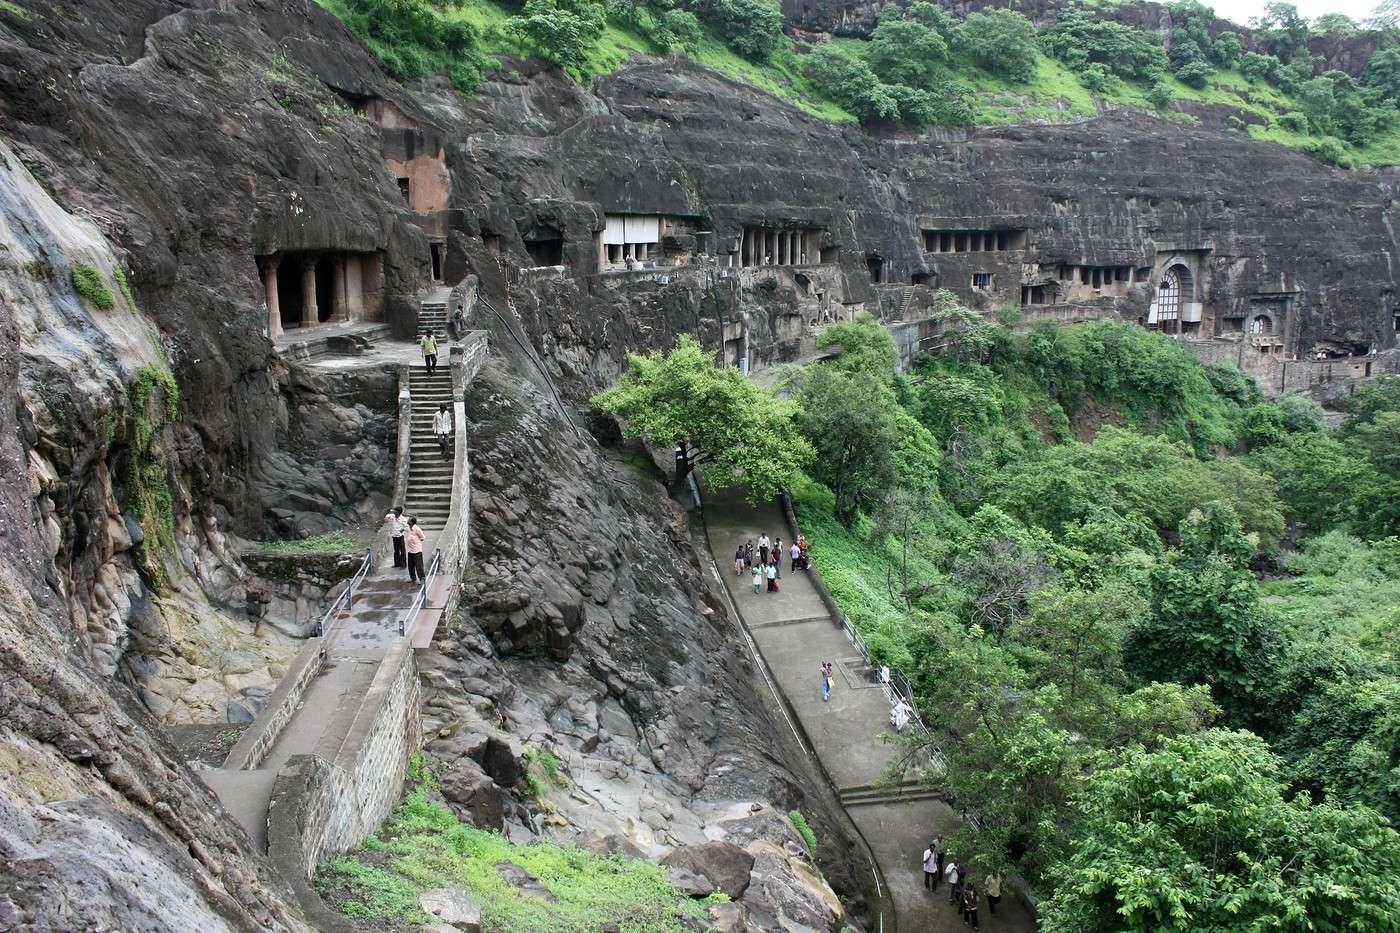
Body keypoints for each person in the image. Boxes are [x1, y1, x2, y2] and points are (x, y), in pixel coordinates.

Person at [405, 517, 426, 582]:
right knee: (410, 566)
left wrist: (416, 541)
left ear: (412, 522)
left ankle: (422, 579)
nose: (408, 521)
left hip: (417, 550)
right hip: (410, 550)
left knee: (419, 566)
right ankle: (413, 578)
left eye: (409, 520)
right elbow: (404, 529)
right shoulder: (408, 528)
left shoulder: (417, 529)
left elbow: (423, 537)